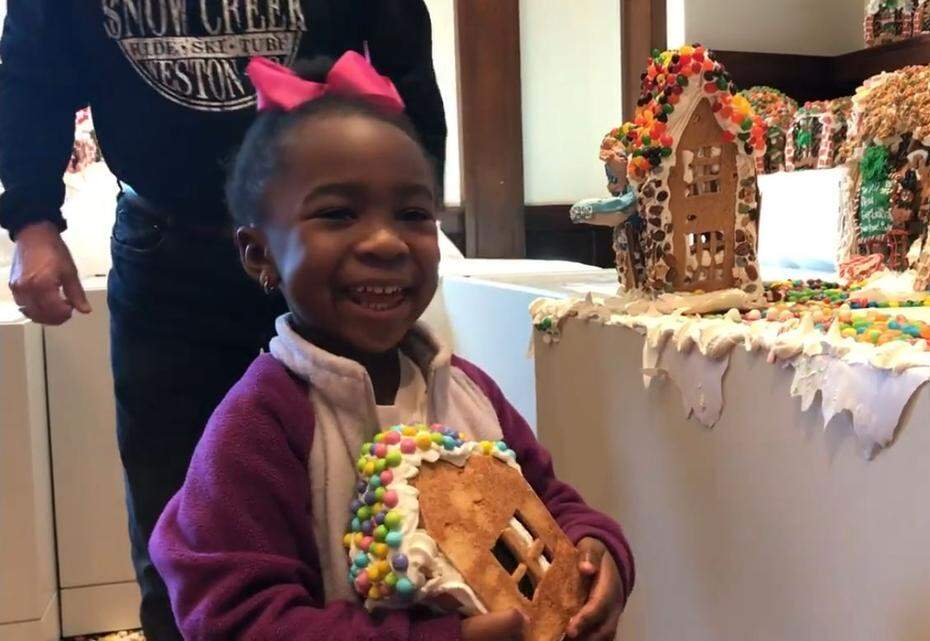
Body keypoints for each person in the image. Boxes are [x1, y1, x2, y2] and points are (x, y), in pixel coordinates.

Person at [148, 53, 633, 640]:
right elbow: (237, 619)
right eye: (337, 213)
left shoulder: (469, 392)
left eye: (412, 213)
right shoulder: (259, 426)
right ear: (260, 253)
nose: (384, 241)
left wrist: (595, 549)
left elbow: (548, 499)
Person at [0, 3, 446, 639]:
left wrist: (413, 219)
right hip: (169, 246)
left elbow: (406, 68)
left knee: (373, 501)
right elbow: (33, 69)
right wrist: (32, 218)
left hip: (328, 249)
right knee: (173, 520)